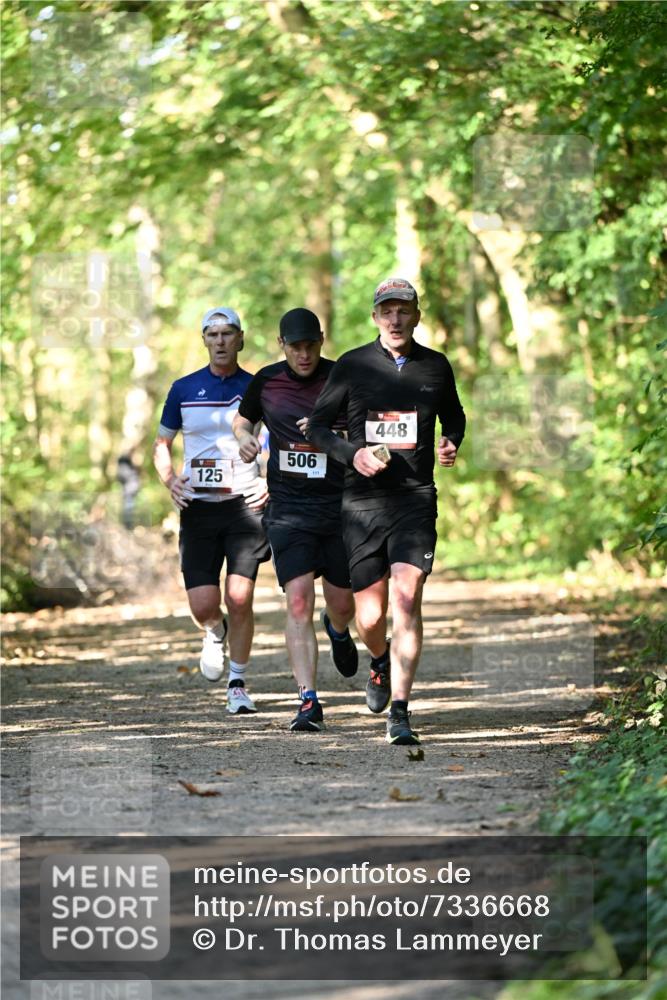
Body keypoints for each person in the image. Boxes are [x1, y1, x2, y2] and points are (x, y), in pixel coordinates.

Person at [307, 278, 465, 745]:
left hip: (415, 498)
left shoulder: (435, 366)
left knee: (406, 597)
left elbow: (454, 414)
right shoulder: (353, 365)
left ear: (417, 315)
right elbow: (317, 428)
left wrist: (451, 440)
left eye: (404, 310)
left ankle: (400, 711)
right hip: (361, 503)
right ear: (375, 317)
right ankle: (379, 660)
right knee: (372, 618)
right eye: (386, 311)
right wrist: (350, 454)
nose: (395, 319)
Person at [233, 308, 358, 733]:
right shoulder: (266, 380)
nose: (303, 355)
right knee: (299, 599)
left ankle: (339, 630)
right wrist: (245, 438)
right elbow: (242, 419)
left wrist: (331, 437)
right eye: (295, 347)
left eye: (310, 345)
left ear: (321, 341)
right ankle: (307, 700)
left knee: (342, 605)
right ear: (280, 345)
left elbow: (364, 432)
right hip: (288, 509)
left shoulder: (343, 375)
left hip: (340, 508)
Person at [153, 306, 270, 714]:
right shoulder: (183, 389)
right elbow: (162, 445)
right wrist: (171, 481)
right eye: (213, 334)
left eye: (228, 334)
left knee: (240, 597)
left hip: (243, 508)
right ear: (204, 341)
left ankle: (237, 682)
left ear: (240, 339)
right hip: (199, 507)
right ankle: (213, 631)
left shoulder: (259, 387)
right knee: (205, 605)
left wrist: (269, 482)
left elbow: (278, 442)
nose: (220, 341)